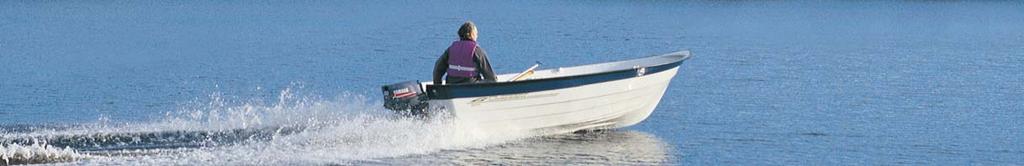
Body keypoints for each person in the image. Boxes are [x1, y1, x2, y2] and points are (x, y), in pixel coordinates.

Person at [433, 21, 497, 85]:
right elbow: (491, 77)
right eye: (476, 34)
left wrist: (438, 85)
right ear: (471, 34)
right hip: (471, 88)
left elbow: (438, 68)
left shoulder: (451, 49)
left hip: (451, 87)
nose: (477, 36)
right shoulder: (477, 50)